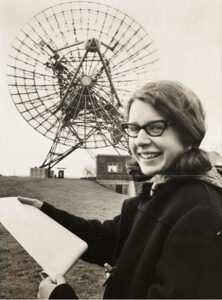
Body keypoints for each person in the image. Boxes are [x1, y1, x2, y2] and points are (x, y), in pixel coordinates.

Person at [18, 80, 222, 298]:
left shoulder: (202, 213)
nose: (140, 140)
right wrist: (46, 212)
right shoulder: (159, 191)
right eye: (133, 128)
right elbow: (106, 239)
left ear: (188, 132)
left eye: (155, 127)